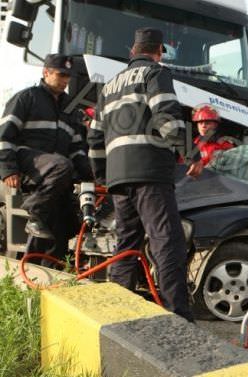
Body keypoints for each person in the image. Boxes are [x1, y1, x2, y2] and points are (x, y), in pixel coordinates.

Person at [88, 28, 203, 321]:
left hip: (119, 180)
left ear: (132, 51)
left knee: (126, 244)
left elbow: (94, 139)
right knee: (167, 241)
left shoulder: (109, 86)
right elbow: (165, 116)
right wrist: (190, 152)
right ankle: (177, 316)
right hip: (150, 172)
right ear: (159, 51)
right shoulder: (155, 74)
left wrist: (104, 177)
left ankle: (117, 314)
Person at [0, 53, 92, 264]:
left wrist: (92, 175)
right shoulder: (27, 98)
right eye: (61, 75)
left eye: (68, 76)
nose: (65, 81)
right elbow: (4, 136)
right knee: (61, 165)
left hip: (57, 174)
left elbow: (77, 149)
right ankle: (34, 210)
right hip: (28, 164)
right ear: (46, 72)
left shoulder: (71, 109)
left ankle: (41, 272)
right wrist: (8, 170)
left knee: (64, 225)